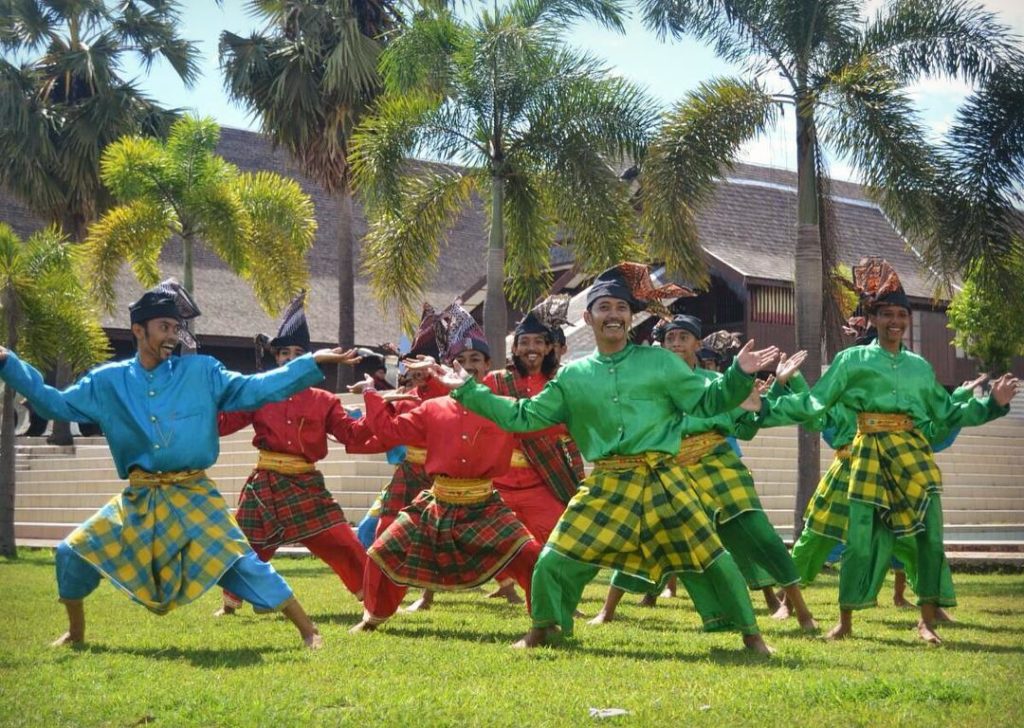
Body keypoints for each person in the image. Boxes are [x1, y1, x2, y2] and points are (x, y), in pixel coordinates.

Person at [0, 280, 358, 648]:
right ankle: (75, 633)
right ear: (138, 330)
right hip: (140, 497)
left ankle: (308, 630)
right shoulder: (107, 382)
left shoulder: (203, 371)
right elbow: (54, 404)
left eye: (175, 328)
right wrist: (8, 363)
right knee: (70, 552)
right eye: (164, 328)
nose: (172, 336)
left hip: (193, 493)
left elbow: (256, 388)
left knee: (240, 561)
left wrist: (310, 363)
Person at [447, 262, 782, 653]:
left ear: (630, 316)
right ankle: (543, 629)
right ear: (588, 317)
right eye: (604, 307)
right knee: (555, 557)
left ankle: (752, 637)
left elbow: (708, 401)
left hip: (664, 480)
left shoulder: (660, 363)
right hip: (607, 482)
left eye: (621, 308)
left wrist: (738, 375)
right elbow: (525, 416)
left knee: (712, 556)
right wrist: (470, 391)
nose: (614, 315)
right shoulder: (572, 377)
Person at [764, 258, 1018, 643]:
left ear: (908, 319)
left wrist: (992, 404)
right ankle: (845, 621)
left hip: (912, 456)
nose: (895, 321)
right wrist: (771, 401)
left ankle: (927, 621)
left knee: (928, 536)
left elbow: (947, 413)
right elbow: (816, 406)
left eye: (902, 314)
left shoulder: (920, 367)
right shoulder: (853, 360)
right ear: (874, 318)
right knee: (860, 538)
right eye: (886, 314)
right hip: (865, 455)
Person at [590, 316, 816, 630]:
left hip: (717, 463)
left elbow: (747, 425)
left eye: (684, 337)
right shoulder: (649, 385)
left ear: (698, 344)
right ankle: (607, 610)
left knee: (758, 531)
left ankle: (801, 611)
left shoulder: (714, 382)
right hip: (669, 468)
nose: (677, 343)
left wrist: (776, 387)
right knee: (644, 534)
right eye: (671, 338)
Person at [349, 304, 541, 633]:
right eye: (461, 362)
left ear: (488, 366)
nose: (468, 367)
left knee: (533, 559)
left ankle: (545, 621)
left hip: (485, 504)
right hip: (436, 502)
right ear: (450, 367)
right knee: (382, 551)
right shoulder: (432, 408)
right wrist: (371, 394)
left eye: (475, 361)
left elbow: (543, 423)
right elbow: (390, 432)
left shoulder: (506, 408)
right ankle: (373, 616)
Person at [214, 292, 380, 615]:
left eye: (298, 353)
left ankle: (374, 599)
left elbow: (354, 436)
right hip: (265, 483)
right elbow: (223, 424)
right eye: (284, 353)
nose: (290, 359)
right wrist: (204, 397)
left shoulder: (324, 400)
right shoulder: (259, 393)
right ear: (276, 358)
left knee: (343, 540)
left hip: (306, 482)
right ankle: (231, 604)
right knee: (243, 541)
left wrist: (373, 399)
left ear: (310, 358)